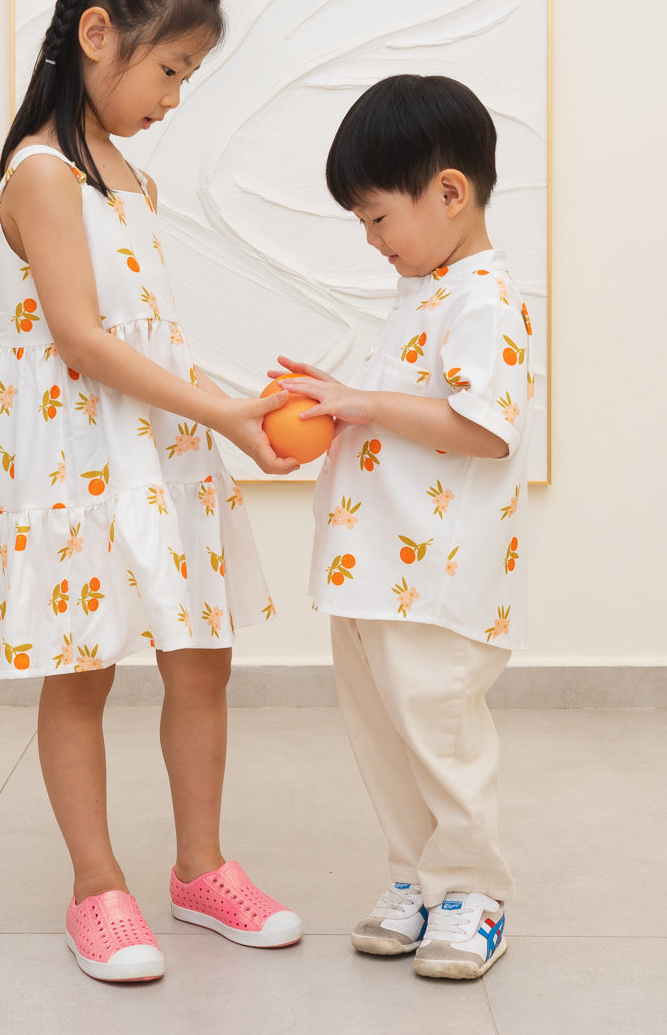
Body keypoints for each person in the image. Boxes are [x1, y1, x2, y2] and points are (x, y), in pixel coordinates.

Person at [0, 0, 303, 982]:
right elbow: (82, 342)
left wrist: (220, 406)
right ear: (98, 34)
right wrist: (226, 414)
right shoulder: (40, 174)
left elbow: (141, 335)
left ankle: (199, 869)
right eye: (171, 68)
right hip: (71, 454)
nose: (175, 95)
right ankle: (97, 887)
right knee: (81, 666)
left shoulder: (126, 177)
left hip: (153, 443)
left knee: (200, 656)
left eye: (188, 74)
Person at [274, 74, 532, 980]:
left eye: (378, 218)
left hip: (438, 584)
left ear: (450, 193)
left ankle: (473, 893)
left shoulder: (483, 299)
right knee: (385, 736)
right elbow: (404, 416)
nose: (372, 240)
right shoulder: (425, 291)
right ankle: (416, 879)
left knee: (440, 736)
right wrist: (342, 404)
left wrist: (365, 401)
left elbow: (482, 427)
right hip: (373, 573)